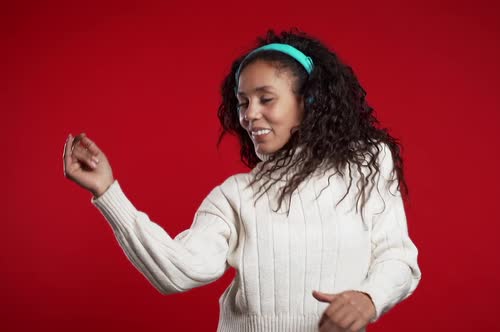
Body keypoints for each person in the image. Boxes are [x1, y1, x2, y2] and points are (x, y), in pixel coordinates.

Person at [63, 28, 422, 332]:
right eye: (242, 102)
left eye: (266, 99)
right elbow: (177, 271)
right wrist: (108, 193)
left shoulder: (368, 163)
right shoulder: (236, 195)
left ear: (309, 101)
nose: (250, 115)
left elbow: (397, 257)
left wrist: (369, 298)